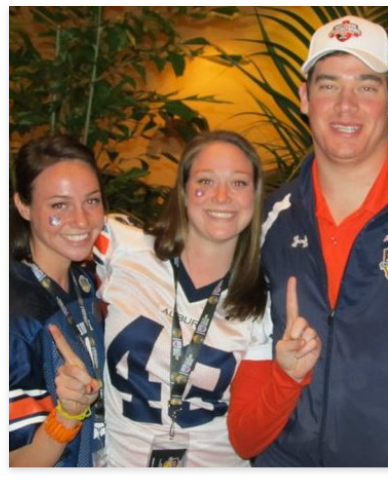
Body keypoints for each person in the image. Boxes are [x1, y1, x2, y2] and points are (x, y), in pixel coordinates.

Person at [229, 17, 388, 467]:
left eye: (367, 86)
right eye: (328, 85)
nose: (345, 106)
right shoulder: (265, 223)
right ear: (304, 98)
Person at [94, 131, 320, 467]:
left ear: (255, 197)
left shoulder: (260, 301)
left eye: (239, 183)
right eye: (205, 180)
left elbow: (246, 442)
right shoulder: (120, 248)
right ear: (183, 191)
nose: (222, 196)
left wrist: (287, 378)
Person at [9, 135, 106, 468]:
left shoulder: (87, 280)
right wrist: (68, 414)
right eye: (59, 205)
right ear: (23, 205)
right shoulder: (18, 314)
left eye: (91, 201)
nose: (81, 220)